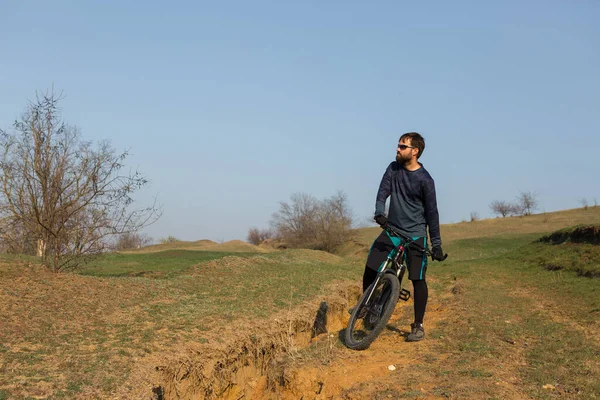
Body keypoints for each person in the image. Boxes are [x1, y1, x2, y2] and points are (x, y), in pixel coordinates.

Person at [364, 132, 446, 342]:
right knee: (371, 265)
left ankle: (418, 325)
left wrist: (436, 243)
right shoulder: (393, 169)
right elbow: (383, 192)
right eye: (398, 146)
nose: (397, 150)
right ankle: (366, 305)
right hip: (392, 230)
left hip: (416, 235)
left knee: (418, 279)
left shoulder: (426, 180)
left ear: (415, 151)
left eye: (402, 146)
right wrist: (380, 212)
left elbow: (432, 213)